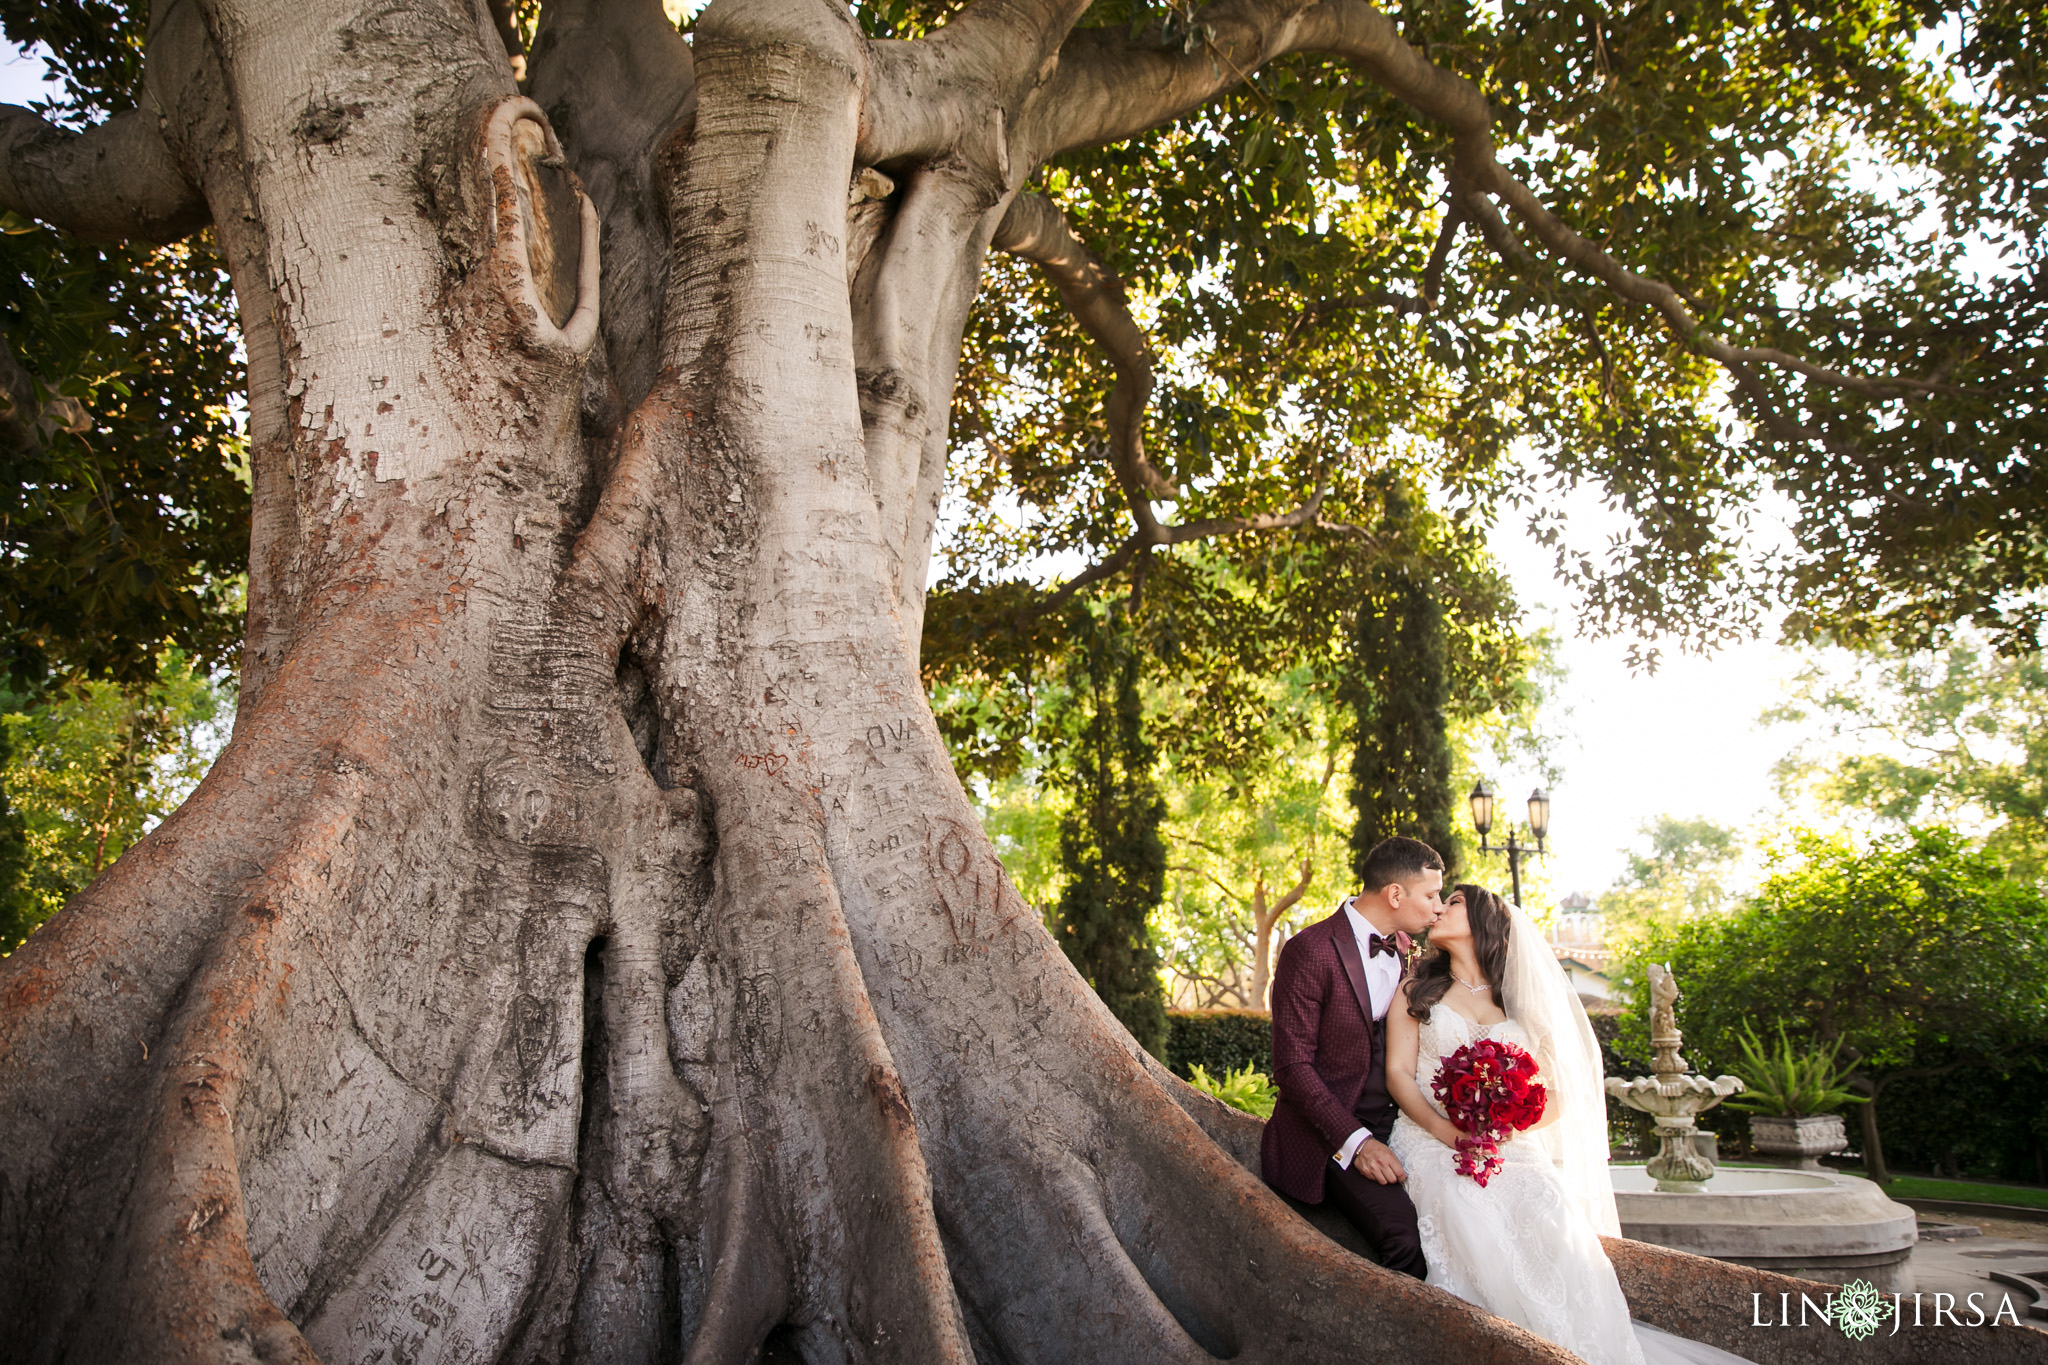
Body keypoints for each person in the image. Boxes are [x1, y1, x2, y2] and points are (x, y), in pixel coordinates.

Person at [1385, 883, 1755, 1365]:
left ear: (1484, 923)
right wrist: (1448, 1132)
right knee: (1468, 1208)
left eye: (1453, 902)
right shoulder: (1417, 990)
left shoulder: (1518, 1004)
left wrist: (1506, 1123)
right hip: (1430, 1137)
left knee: (1551, 1210)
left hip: (1506, 1146)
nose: (1439, 908)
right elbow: (1397, 1072)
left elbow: (1561, 1092)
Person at [1261, 835, 1445, 1278]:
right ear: (1395, 894)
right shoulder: (1310, 950)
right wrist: (1356, 1143)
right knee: (1406, 1240)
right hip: (1330, 1135)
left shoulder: (1405, 950)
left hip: (1401, 1127)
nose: (1438, 906)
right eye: (1431, 894)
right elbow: (1292, 1067)